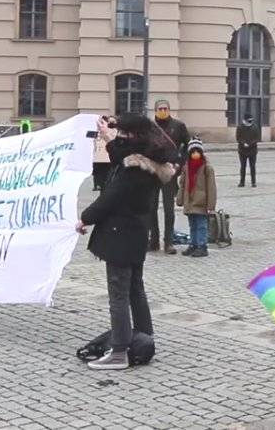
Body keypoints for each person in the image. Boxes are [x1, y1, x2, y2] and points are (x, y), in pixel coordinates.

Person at [78, 114, 178, 370]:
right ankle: (144, 338)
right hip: (135, 234)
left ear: (134, 137)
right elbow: (121, 157)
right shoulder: (150, 163)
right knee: (135, 288)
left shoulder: (133, 169)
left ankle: (119, 352)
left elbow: (111, 196)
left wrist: (85, 218)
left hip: (119, 235)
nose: (118, 136)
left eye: (122, 133)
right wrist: (109, 137)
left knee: (118, 294)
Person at [152, 100, 190, 255]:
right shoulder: (150, 127)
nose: (163, 111)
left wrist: (179, 165)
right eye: (160, 109)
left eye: (165, 108)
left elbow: (188, 145)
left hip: (170, 172)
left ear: (169, 110)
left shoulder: (178, 126)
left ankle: (168, 242)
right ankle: (153, 241)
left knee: (169, 209)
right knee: (150, 208)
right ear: (155, 110)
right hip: (152, 173)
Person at [177, 138, 216, 258]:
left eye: (197, 152)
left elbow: (211, 187)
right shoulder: (186, 167)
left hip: (201, 202)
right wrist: (180, 199)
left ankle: (202, 246)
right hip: (190, 201)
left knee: (201, 225)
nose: (195, 154)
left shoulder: (206, 167)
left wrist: (211, 205)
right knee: (192, 225)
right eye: (193, 152)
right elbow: (183, 184)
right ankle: (193, 244)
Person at [92, 115, 117, 192]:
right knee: (98, 175)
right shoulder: (97, 130)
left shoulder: (115, 131)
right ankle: (98, 185)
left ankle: (104, 188)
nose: (110, 123)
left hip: (108, 159)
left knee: (107, 178)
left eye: (112, 122)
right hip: (97, 158)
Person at [236, 113, 260, 188]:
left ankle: (253, 182)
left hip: (252, 150)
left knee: (252, 166)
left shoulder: (255, 127)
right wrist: (243, 143)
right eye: (248, 121)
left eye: (251, 121)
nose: (250, 122)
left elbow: (257, 138)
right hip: (242, 150)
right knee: (243, 166)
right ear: (244, 120)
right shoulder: (240, 127)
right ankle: (242, 182)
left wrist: (250, 144)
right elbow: (238, 138)